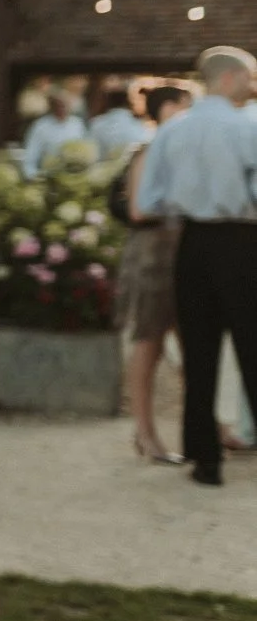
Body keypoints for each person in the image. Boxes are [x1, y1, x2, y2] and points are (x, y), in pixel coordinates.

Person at [133, 45, 257, 488]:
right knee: (252, 347)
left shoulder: (171, 131)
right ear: (227, 79)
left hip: (191, 243)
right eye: (249, 77)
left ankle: (206, 460)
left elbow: (148, 200)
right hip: (244, 241)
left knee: (199, 354)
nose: (253, 84)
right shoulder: (250, 125)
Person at [115, 84, 196, 465]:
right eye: (186, 104)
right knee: (149, 343)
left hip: (180, 253)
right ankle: (145, 434)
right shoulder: (149, 149)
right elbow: (137, 209)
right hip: (153, 255)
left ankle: (202, 429)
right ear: (169, 107)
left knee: (192, 346)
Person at [19, 86, 90, 178]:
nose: (62, 108)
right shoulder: (40, 126)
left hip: (76, 177)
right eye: (58, 105)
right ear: (51, 106)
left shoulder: (77, 124)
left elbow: (88, 151)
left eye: (65, 104)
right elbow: (29, 159)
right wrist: (34, 177)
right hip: (48, 177)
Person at [89, 81, 154, 161]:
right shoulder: (140, 126)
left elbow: (91, 152)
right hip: (131, 169)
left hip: (102, 170)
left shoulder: (96, 123)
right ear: (127, 102)